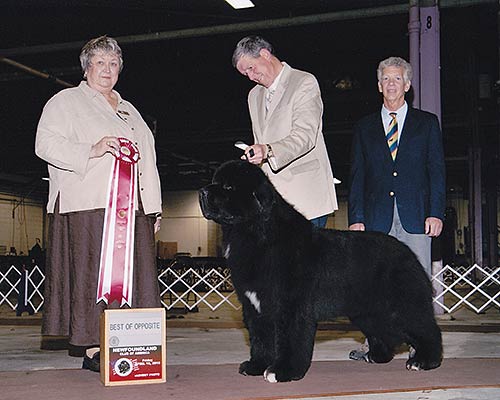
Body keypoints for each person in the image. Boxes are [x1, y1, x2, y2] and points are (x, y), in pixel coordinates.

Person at [35, 35, 162, 372]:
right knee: (92, 276)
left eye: (114, 63)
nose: (108, 69)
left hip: (131, 210)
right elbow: (44, 144)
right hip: (85, 206)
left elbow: (147, 158)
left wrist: (154, 208)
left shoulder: (129, 109)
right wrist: (92, 148)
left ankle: (129, 345)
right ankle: (94, 348)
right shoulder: (65, 102)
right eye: (101, 63)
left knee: (131, 278)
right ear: (87, 67)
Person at [347, 56, 445, 361]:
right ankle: (375, 344)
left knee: (415, 286)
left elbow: (436, 171)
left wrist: (436, 212)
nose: (392, 84)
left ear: (408, 84)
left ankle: (422, 345)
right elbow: (357, 175)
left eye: (397, 78)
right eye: (386, 79)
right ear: (379, 85)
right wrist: (357, 218)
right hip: (375, 221)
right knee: (372, 286)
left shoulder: (427, 123)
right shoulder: (364, 127)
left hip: (416, 217)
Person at [232, 35, 338, 228]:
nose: (250, 76)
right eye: (245, 74)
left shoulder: (303, 82)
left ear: (265, 54)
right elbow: (261, 140)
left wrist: (268, 150)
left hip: (305, 197)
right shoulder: (253, 95)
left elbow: (305, 136)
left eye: (250, 68)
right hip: (271, 203)